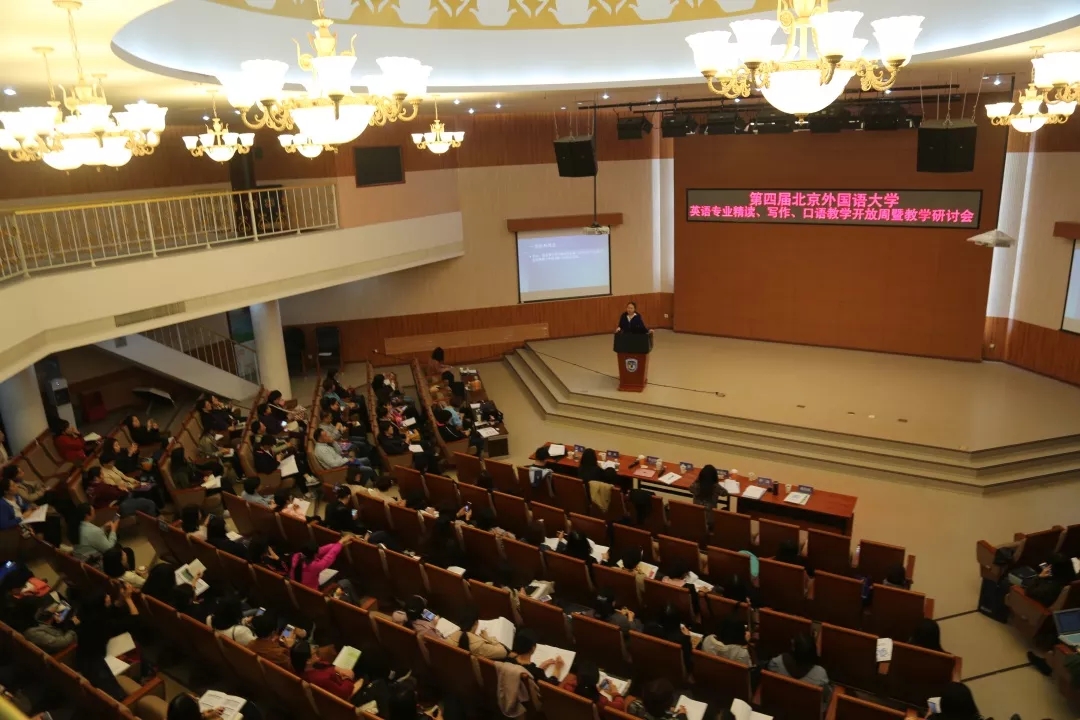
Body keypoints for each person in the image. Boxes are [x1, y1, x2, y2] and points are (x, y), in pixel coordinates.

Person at [74, 587, 140, 701]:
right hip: (95, 662)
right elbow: (135, 620)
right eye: (106, 596)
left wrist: (121, 599)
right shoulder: (103, 624)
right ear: (101, 603)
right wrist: (128, 599)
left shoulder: (88, 614)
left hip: (83, 655)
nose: (109, 596)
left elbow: (109, 611)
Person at [767, 633, 831, 702]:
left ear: (793, 649)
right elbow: (826, 697)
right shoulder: (820, 675)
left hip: (780, 702)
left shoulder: (776, 663)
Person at [291, 639, 365, 699]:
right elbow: (343, 693)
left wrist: (339, 670)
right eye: (314, 652)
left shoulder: (306, 667)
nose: (316, 649)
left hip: (341, 676)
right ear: (308, 661)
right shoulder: (320, 679)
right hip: (348, 689)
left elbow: (326, 665)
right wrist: (348, 678)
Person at [83, 466, 157, 518]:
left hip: (114, 504)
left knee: (139, 493)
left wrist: (119, 487)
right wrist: (123, 489)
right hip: (115, 509)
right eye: (101, 474)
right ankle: (153, 526)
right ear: (96, 478)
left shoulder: (91, 487)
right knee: (149, 503)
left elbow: (112, 490)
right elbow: (117, 493)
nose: (103, 475)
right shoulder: (101, 487)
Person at [290, 538, 355, 590]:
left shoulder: (295, 556)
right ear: (314, 554)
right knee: (341, 577)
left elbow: (321, 550)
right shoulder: (315, 566)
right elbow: (330, 556)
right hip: (312, 591)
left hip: (296, 588)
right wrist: (340, 543)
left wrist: (338, 544)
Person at [560, 659, 626, 710]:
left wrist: (598, 689)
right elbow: (620, 706)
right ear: (597, 680)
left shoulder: (567, 687)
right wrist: (615, 692)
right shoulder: (601, 701)